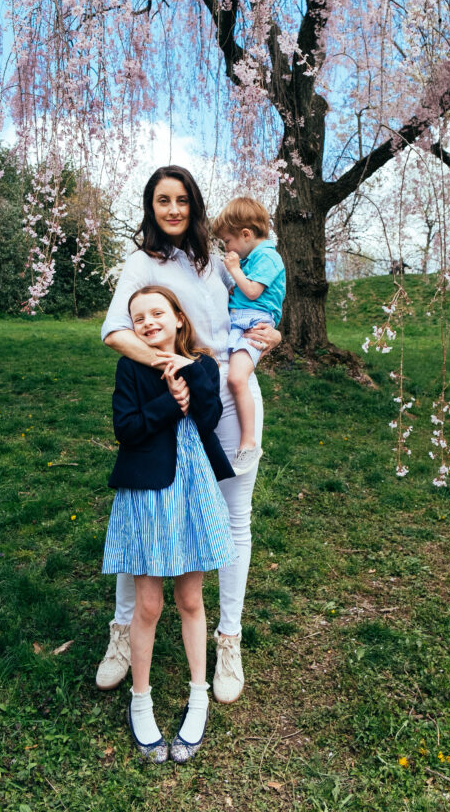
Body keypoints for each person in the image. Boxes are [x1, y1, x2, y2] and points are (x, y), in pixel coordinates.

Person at [97, 165, 280, 705]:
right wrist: (171, 364)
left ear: (194, 204)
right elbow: (114, 331)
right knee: (145, 510)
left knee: (234, 517)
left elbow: (253, 304)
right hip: (173, 393)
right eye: (163, 200)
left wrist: (270, 330)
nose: (173, 209)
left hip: (228, 393)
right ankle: (122, 633)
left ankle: (229, 639)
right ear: (151, 207)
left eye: (181, 199)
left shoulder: (215, 258)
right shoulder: (142, 262)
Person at [101, 286, 237, 762]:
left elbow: (210, 416)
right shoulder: (130, 368)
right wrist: (169, 403)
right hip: (147, 491)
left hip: (193, 487)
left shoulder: (203, 365)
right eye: (138, 318)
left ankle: (199, 695)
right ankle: (141, 701)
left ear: (179, 318)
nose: (148, 322)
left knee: (191, 599)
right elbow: (126, 428)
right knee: (148, 604)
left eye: (157, 313)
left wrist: (187, 379)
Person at [211, 197, 286, 475]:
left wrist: (234, 270)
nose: (226, 248)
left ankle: (249, 443)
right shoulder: (253, 258)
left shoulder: (268, 256)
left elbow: (253, 292)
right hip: (240, 321)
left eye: (227, 241)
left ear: (246, 234)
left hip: (254, 323)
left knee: (236, 378)